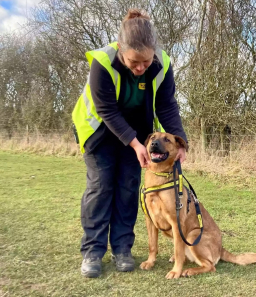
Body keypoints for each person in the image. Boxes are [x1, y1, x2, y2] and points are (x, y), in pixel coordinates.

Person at [72, 8, 188, 278]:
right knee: (101, 187)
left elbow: (167, 105)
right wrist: (136, 144)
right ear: (121, 49)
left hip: (136, 134)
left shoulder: (162, 64)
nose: (140, 68)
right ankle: (93, 251)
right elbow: (107, 110)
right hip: (99, 132)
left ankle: (122, 248)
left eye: (145, 62)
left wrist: (181, 142)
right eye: (134, 62)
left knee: (128, 188)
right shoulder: (102, 62)